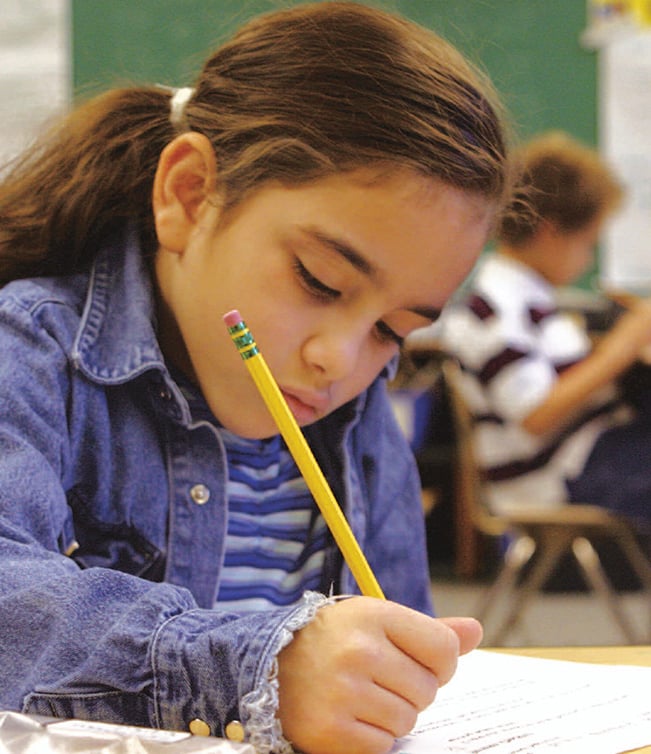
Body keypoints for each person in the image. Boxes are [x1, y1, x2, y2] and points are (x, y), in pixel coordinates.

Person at [0, 4, 513, 753]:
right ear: (187, 195)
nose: (339, 360)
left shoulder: (359, 419)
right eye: (319, 280)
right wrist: (257, 669)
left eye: (393, 329)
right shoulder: (31, 349)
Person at [435, 130, 651, 523]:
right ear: (551, 232)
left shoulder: (533, 301)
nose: (588, 260)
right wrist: (625, 345)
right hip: (561, 473)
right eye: (587, 244)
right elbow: (535, 414)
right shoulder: (493, 309)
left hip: (591, 456)